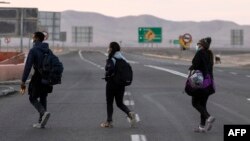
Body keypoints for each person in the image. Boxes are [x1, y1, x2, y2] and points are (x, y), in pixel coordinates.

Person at [20, 31, 52, 128]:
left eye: (33, 37)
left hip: (38, 76)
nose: (32, 38)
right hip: (47, 77)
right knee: (43, 97)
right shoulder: (48, 50)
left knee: (32, 97)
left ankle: (43, 112)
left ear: (37, 38)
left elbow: (28, 66)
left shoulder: (33, 50)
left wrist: (23, 80)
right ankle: (41, 122)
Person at [101, 42, 136, 128]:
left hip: (112, 83)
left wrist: (108, 74)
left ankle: (109, 122)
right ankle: (129, 113)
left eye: (109, 47)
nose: (108, 48)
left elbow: (109, 69)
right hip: (121, 84)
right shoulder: (123, 58)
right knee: (119, 103)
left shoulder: (112, 58)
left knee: (109, 102)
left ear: (111, 48)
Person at [189, 37, 216, 133]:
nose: (197, 46)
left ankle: (208, 117)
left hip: (200, 81)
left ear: (202, 45)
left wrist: (191, 67)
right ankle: (202, 127)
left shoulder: (200, 53)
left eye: (199, 44)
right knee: (203, 104)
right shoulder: (210, 53)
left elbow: (195, 64)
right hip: (209, 82)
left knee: (195, 103)